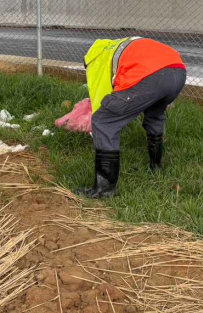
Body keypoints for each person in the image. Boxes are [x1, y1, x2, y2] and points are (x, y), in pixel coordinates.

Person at [76, 36, 187, 199]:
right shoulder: (116, 47)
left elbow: (101, 95)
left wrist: (100, 111)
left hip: (150, 75)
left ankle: (104, 190)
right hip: (178, 72)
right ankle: (155, 167)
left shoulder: (97, 61)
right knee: (154, 115)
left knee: (103, 121)